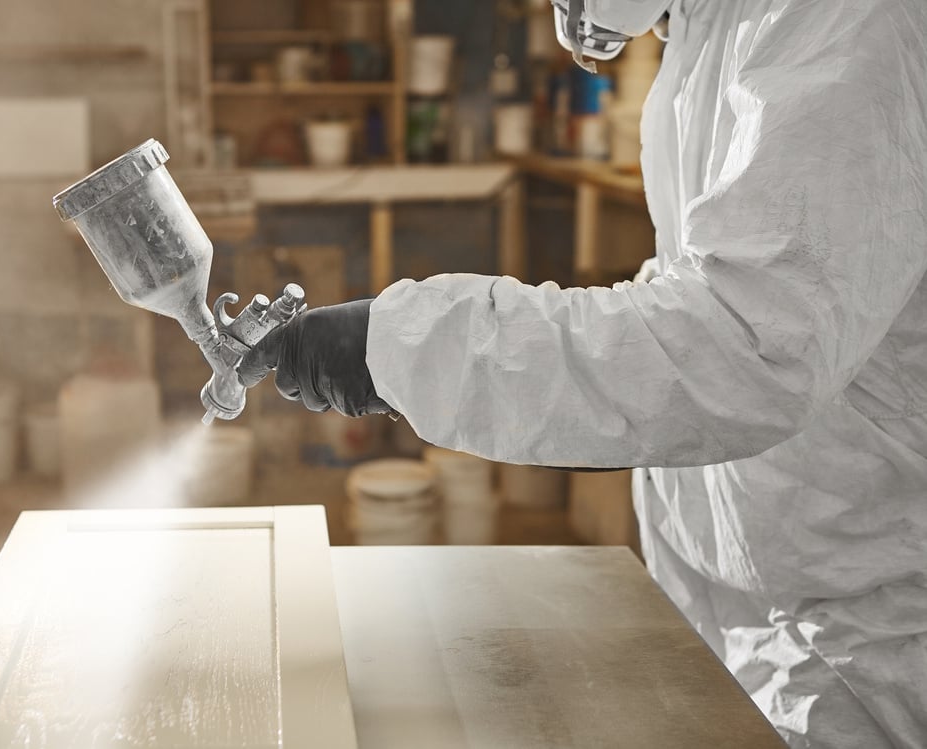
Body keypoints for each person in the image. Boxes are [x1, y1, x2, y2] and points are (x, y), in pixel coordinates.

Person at [238, 1, 927, 746]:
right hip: (754, 586)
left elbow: (740, 343)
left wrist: (398, 347)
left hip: (858, 632)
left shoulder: (847, 18)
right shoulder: (713, 28)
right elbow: (700, 290)